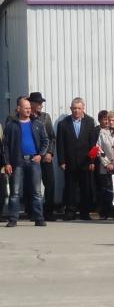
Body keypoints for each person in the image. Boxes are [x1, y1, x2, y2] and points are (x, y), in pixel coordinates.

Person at [3, 97, 50, 227]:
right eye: (26, 108)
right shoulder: (11, 125)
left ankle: (39, 218)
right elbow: (5, 146)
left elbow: (45, 140)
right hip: (17, 162)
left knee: (36, 192)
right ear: (19, 109)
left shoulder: (37, 123)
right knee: (15, 192)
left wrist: (40, 155)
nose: (29, 110)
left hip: (34, 161)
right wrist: (7, 163)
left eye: (29, 108)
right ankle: (13, 219)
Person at [55, 97, 98, 221]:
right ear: (70, 109)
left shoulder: (90, 122)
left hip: (86, 161)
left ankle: (85, 212)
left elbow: (93, 143)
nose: (76, 111)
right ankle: (70, 211)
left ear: (83, 108)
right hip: (70, 161)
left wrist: (92, 161)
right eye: (74, 108)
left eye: (79, 108)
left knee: (86, 188)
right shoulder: (63, 124)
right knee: (70, 188)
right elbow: (60, 144)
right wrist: (61, 161)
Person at [26, 93, 56, 220]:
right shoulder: (25, 117)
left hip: (45, 157)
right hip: (31, 158)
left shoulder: (45, 117)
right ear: (31, 103)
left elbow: (52, 137)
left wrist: (50, 152)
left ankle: (48, 212)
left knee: (50, 184)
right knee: (32, 185)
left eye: (41, 103)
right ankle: (33, 212)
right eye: (38, 102)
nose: (40, 105)